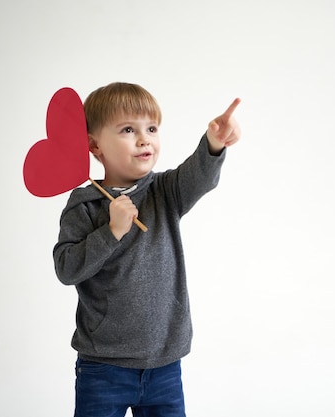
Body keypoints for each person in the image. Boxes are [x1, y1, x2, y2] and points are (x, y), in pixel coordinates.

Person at [53, 82, 241, 417]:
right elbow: (67, 268)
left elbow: (199, 176)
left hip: (164, 365)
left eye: (151, 128)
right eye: (128, 129)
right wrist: (112, 232)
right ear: (95, 145)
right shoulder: (84, 205)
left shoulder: (165, 191)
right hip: (103, 367)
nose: (144, 139)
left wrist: (213, 144)